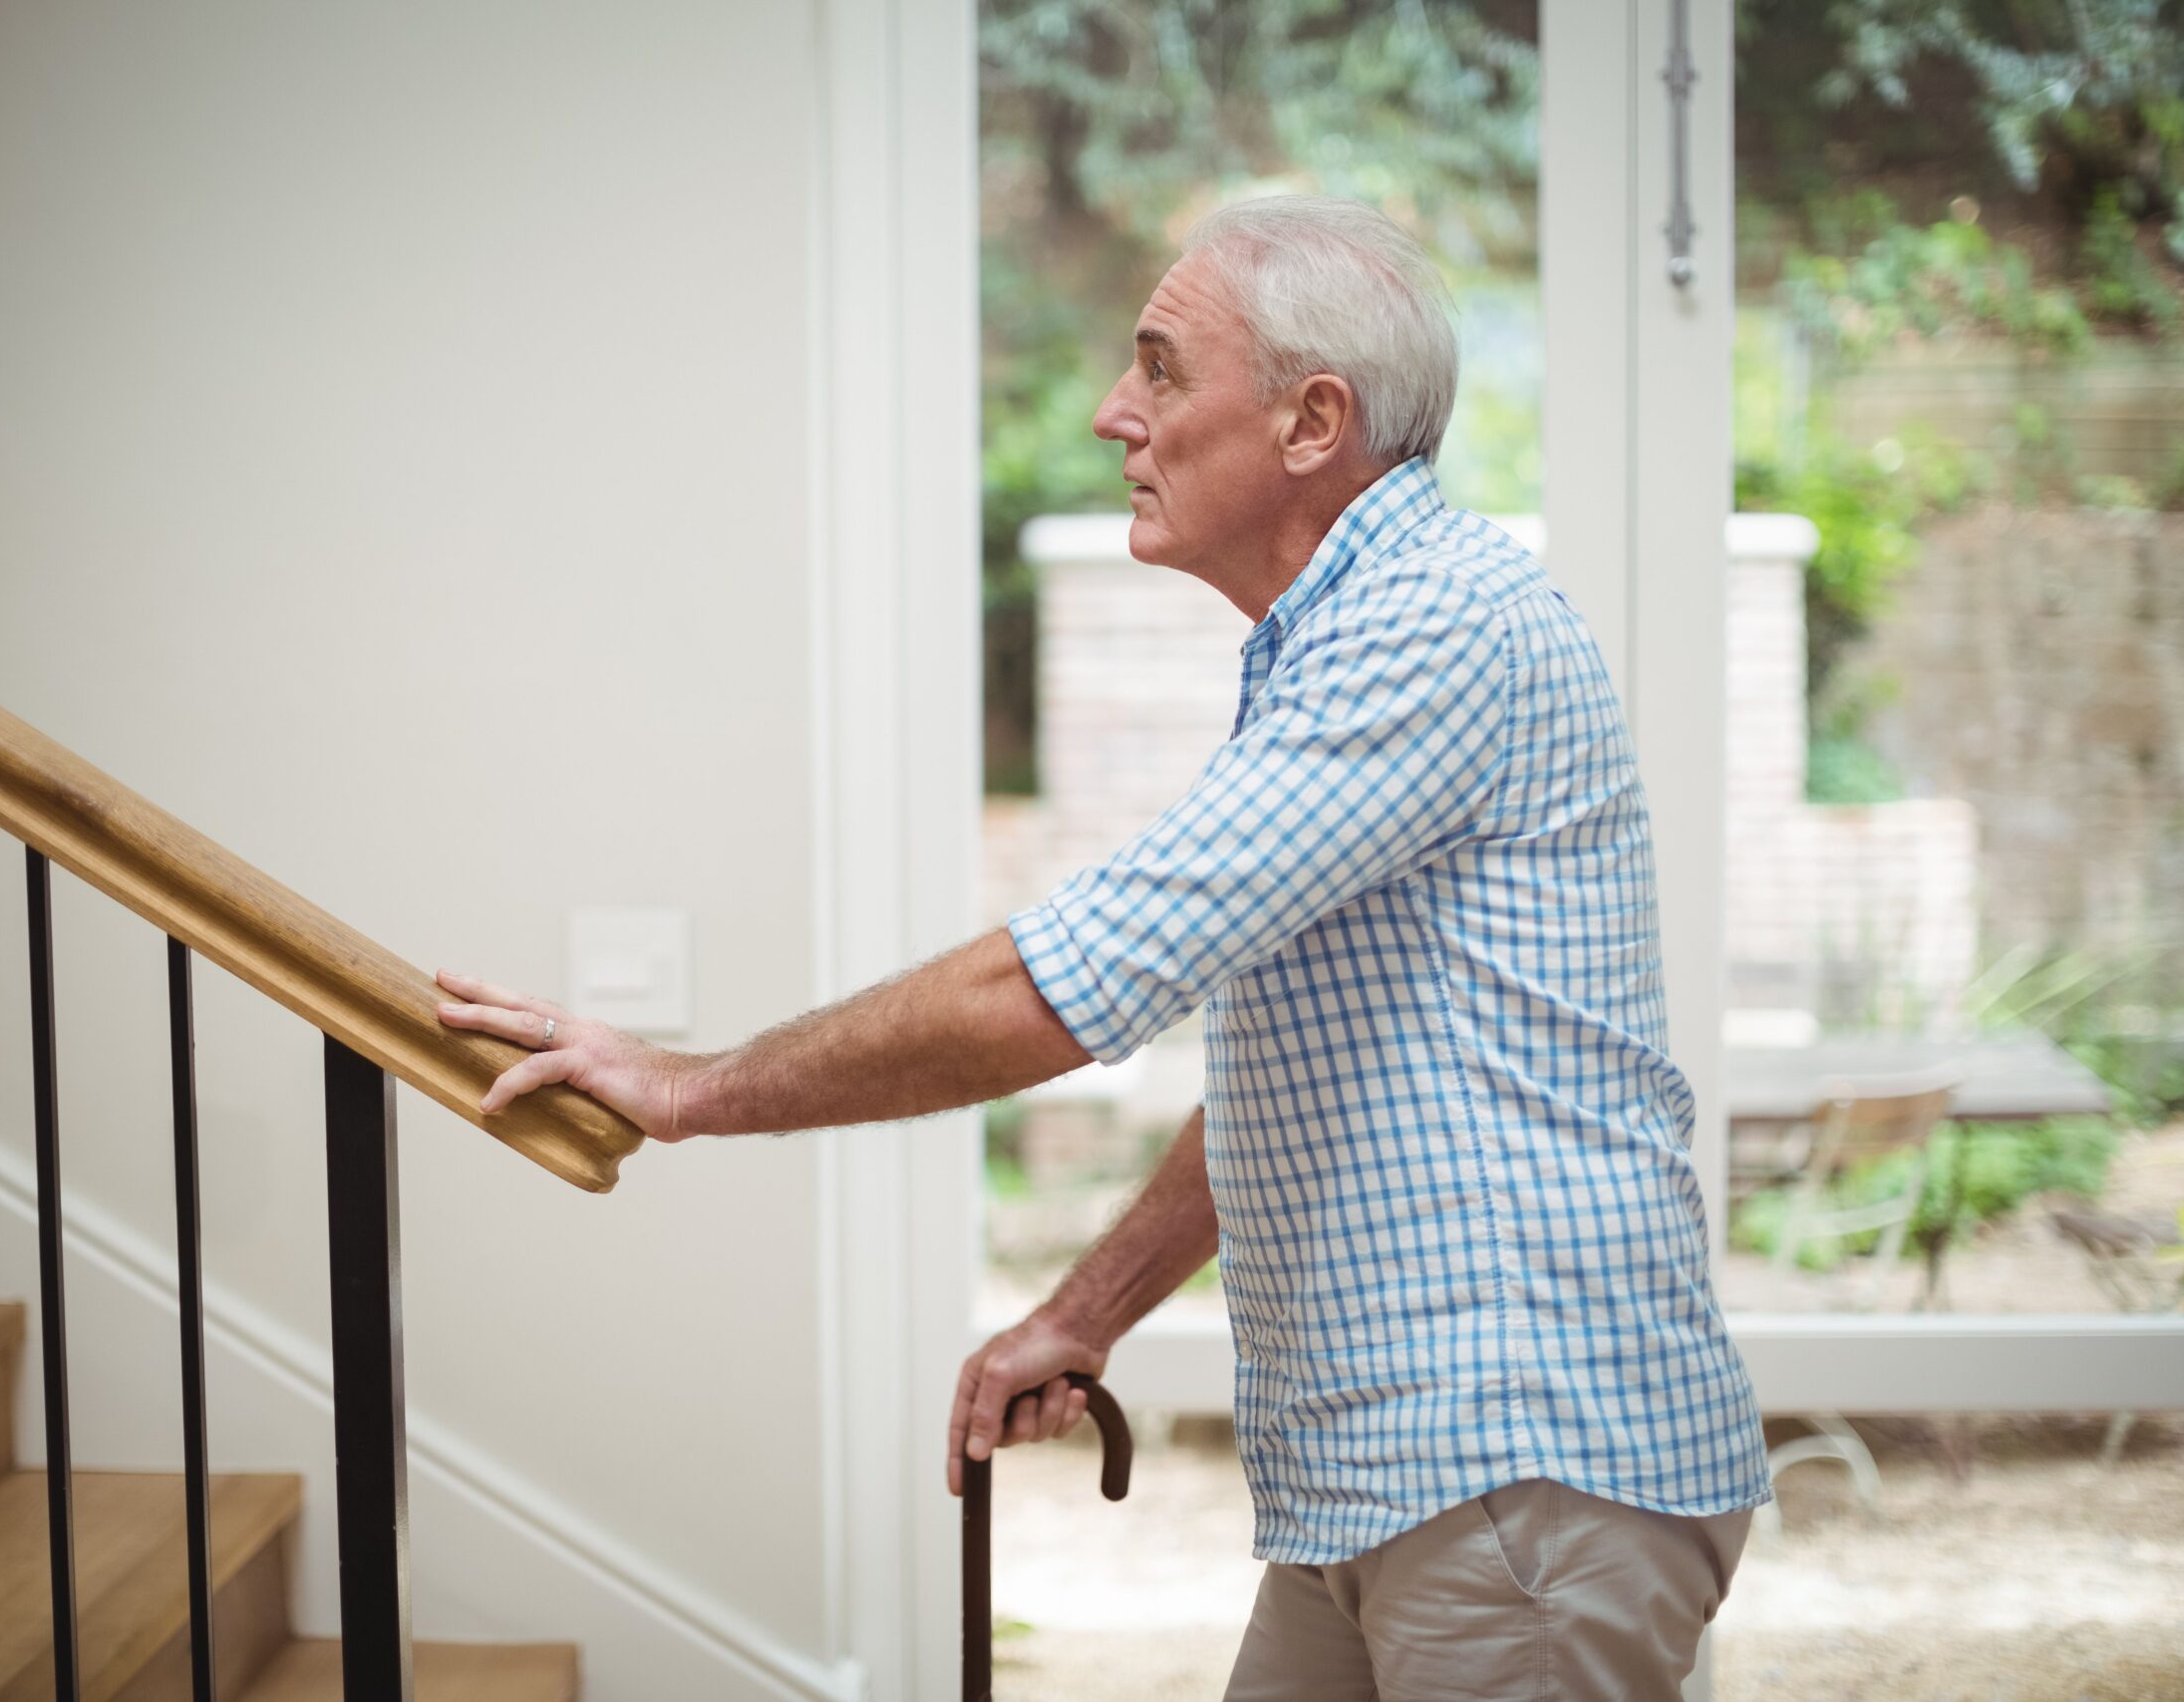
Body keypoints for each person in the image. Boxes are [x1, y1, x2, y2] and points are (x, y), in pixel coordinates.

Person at [436, 192, 1770, 1701]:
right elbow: (1320, 1075)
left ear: (1309, 421)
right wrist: (1083, 1316)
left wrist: (687, 1089)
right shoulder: (1340, 643)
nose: (1108, 414)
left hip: (1515, 1465)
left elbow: (1058, 987)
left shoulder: (1433, 626)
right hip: (1417, 1481)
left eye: (1157, 368)